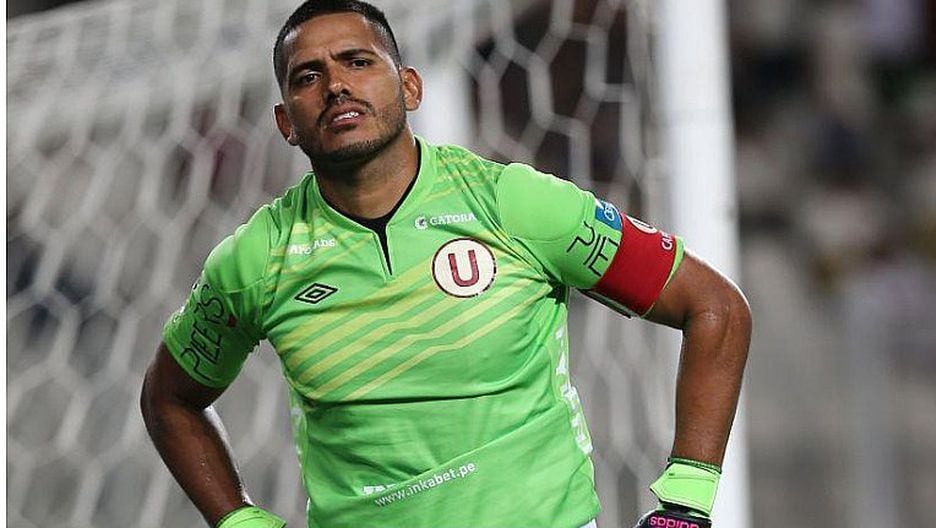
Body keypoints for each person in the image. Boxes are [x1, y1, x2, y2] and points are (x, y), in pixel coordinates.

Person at [139, 1, 751, 527]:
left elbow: (714, 306)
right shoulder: (257, 259)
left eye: (357, 62)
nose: (336, 86)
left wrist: (686, 502)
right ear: (285, 123)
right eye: (308, 76)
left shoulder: (513, 204)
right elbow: (170, 400)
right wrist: (240, 519)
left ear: (409, 87)